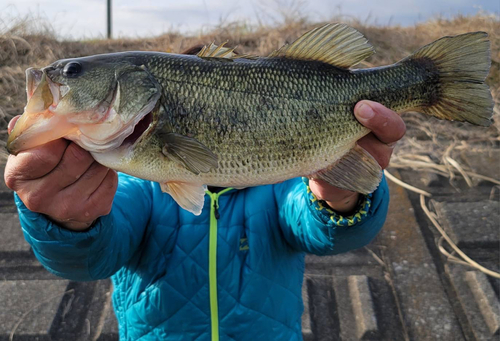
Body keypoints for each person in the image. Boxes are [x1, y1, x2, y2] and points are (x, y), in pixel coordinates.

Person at [5, 100, 405, 341]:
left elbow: (319, 228)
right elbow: (92, 257)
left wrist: (340, 195)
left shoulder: (280, 181)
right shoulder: (136, 181)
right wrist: (67, 218)